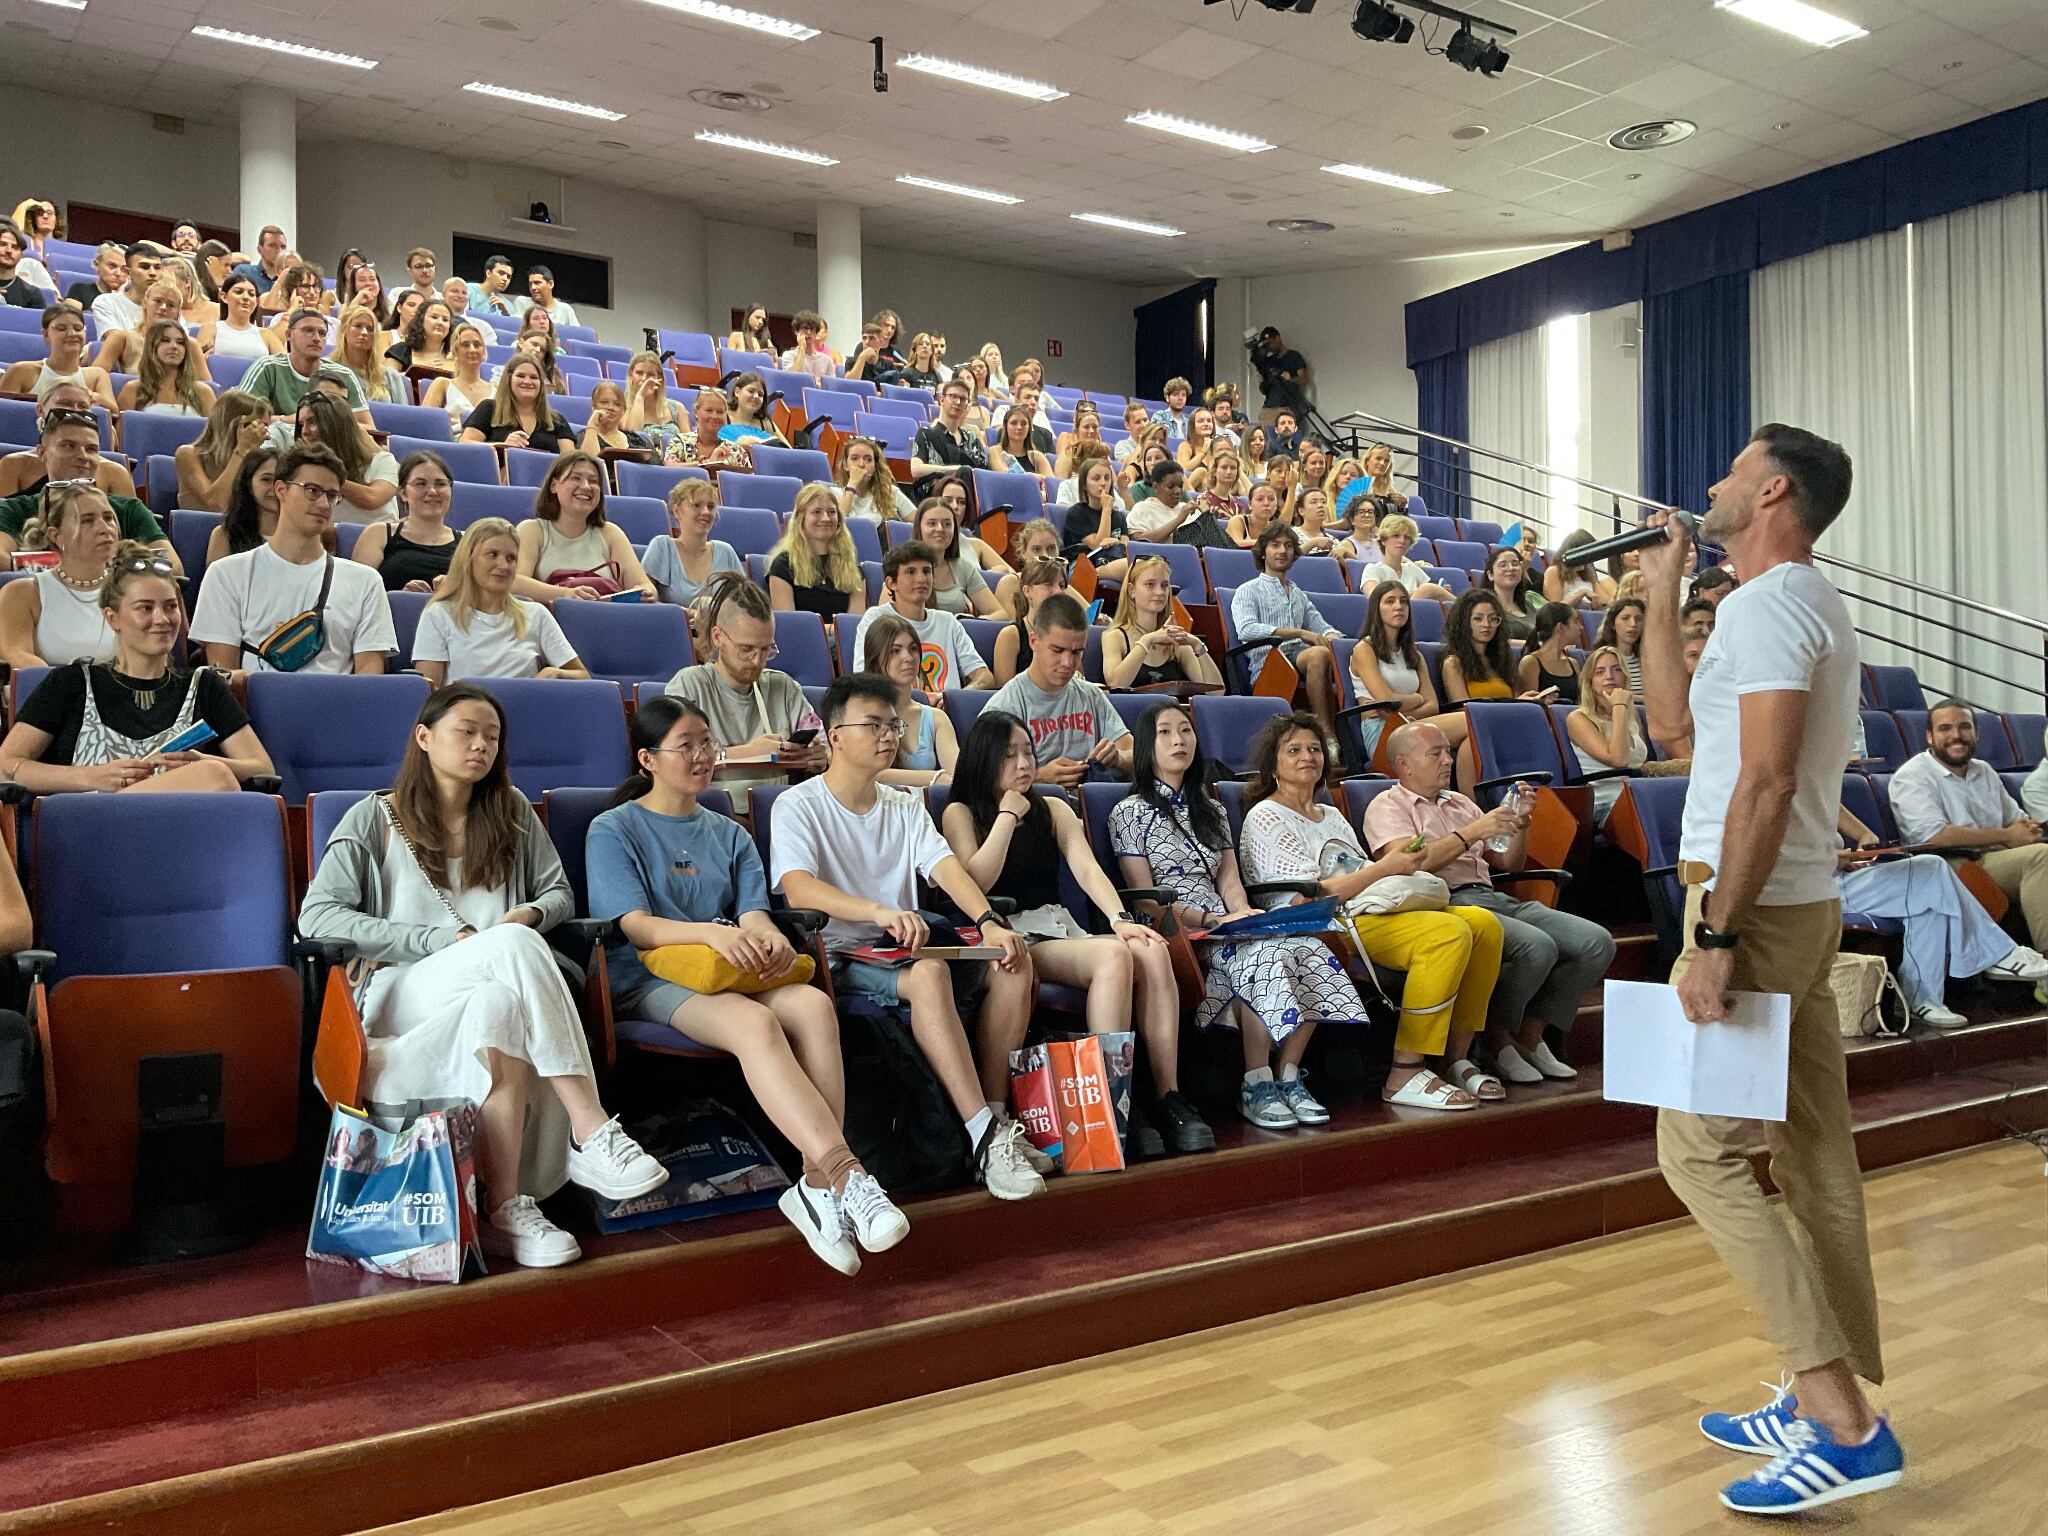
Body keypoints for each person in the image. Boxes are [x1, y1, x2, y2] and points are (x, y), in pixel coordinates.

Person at [1635, 425, 1906, 1514]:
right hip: (1785, 902)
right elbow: (1670, 732)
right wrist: (1659, 595)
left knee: (1691, 1153)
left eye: (1729, 469)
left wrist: (1712, 940)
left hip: (1748, 907)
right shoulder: (1782, 605)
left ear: (1770, 490)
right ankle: (1816, 1406)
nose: (1709, 481)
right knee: (1808, 1155)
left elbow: (1765, 778)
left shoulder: (1770, 604)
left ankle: (1838, 1415)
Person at [301, 683, 665, 1268]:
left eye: (491, 737)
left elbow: (557, 894)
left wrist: (528, 913)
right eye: (465, 732)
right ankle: (592, 1129)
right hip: (403, 986)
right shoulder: (372, 817)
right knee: (514, 948)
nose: (480, 746)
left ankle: (507, 1207)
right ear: (424, 737)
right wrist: (439, 938)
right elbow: (317, 916)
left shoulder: (512, 810)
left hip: (501, 983)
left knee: (500, 1000)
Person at [587, 696, 907, 1271]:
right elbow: (634, 926)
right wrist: (711, 936)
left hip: (730, 968)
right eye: (686, 746)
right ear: (648, 759)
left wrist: (768, 938)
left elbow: (754, 910)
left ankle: (814, 1184)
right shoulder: (613, 829)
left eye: (707, 744)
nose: (703, 756)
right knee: (755, 1023)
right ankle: (846, 1173)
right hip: (650, 975)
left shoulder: (727, 831)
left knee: (811, 1006)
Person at [770, 674, 1045, 1200]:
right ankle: (982, 1137)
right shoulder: (798, 805)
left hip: (906, 946)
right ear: (834, 735)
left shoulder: (902, 803)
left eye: (892, 725)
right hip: (843, 955)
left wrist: (988, 920)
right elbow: (799, 889)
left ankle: (994, 1117)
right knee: (930, 974)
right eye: (872, 725)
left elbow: (943, 865)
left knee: (1012, 959)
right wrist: (877, 910)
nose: (887, 735)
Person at [942, 712, 1210, 1156]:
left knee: (1149, 949)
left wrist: (1122, 919)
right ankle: (1107, 1104)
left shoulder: (1054, 807)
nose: (1024, 764)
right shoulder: (960, 812)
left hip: (1057, 927)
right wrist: (1007, 816)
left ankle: (1164, 1095)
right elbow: (975, 883)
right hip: (1005, 934)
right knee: (1113, 959)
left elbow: (1086, 868)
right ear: (984, 760)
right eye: (1009, 756)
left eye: (1028, 752)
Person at [1111, 702, 1371, 1128]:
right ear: (1145, 744)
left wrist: (1243, 914)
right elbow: (1146, 901)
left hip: (1225, 925)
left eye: (1186, 731)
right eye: (1164, 732)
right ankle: (1256, 1082)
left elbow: (1230, 881)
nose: (1179, 740)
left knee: (1308, 946)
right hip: (1178, 931)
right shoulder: (1129, 812)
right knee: (1261, 958)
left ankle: (1288, 1074)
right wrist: (1210, 921)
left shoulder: (1211, 808)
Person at [1239, 713, 1504, 1114]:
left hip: (1360, 910)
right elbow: (1303, 900)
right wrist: (1387, 867)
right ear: (1272, 764)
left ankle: (1455, 1058)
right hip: (1320, 924)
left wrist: (1393, 869)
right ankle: (1406, 1069)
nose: (1307, 757)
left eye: (1314, 749)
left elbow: (1358, 872)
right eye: (1293, 750)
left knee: (1484, 924)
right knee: (1446, 933)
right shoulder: (1266, 816)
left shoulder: (1330, 815)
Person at [1365, 721, 1609, 1087]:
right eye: (1436, 754)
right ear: (1404, 764)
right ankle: (1496, 1041)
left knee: (1595, 943)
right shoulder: (1387, 806)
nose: (1448, 760)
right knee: (1536, 947)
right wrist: (1473, 832)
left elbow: (1506, 863)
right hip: (1443, 903)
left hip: (1492, 894)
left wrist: (1522, 824)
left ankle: (1529, 1035)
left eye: (1448, 751)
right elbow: (1407, 864)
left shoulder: (1460, 802)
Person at [0, 541, 271, 795]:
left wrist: (199, 760)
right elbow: (7, 764)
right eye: (145, 608)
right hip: (89, 826)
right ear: (112, 617)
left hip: (179, 831)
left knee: (214, 773)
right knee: (213, 777)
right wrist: (91, 777)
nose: (162, 619)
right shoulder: (71, 682)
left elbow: (261, 768)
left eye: (170, 607)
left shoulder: (204, 686)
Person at [1833, 803, 2048, 1027]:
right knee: (1931, 871)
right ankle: (1997, 954)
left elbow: (1867, 835)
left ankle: (1923, 999)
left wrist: (1862, 853)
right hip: (1816, 888)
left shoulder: (1820, 788)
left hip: (1846, 877)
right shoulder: (1794, 791)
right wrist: (1829, 858)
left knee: (1928, 895)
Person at [191, 442, 397, 675]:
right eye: (312, 490)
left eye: (331, 495)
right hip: (256, 708)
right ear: (281, 490)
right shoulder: (227, 574)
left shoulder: (366, 582)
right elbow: (223, 678)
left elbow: (368, 682)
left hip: (338, 707)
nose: (323, 504)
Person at [1886, 699, 2048, 959]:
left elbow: (2015, 819)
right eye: (1945, 728)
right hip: (1951, 864)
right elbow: (1935, 837)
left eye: (1964, 727)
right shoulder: (1913, 776)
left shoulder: (1983, 771)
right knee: (2041, 857)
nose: (1956, 736)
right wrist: (2008, 835)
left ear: (1976, 733)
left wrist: (2027, 830)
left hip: (1995, 857)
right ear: (1929, 736)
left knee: (2039, 851)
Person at [662, 577, 826, 795]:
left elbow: (825, 745)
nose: (757, 661)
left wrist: (819, 755)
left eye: (766, 649)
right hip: (713, 810)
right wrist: (751, 752)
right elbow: (676, 758)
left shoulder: (783, 687)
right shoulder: (688, 686)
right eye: (746, 649)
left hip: (780, 809)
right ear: (718, 637)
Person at [0, 407, 176, 569]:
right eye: (69, 446)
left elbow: (172, 565)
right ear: (42, 453)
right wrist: (86, 563)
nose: (83, 456)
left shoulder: (128, 509)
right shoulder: (13, 510)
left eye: (91, 449)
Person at [414, 519, 585, 685]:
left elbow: (583, 676)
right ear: (468, 558)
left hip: (524, 708)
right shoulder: (439, 614)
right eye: (492, 555)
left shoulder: (536, 614)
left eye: (511, 558)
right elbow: (429, 690)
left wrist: (557, 672)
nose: (504, 566)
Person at [987, 594, 1131, 783]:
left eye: (1076, 652)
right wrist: (1038, 777)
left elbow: (1135, 754)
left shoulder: (1091, 695)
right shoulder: (1005, 705)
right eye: (1057, 650)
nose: (1068, 663)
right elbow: (982, 778)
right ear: (1034, 642)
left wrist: (1119, 758)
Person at [1231, 523, 1341, 741]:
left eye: (1288, 546)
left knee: (1328, 652)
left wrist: (1346, 644)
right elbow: (1246, 629)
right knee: (1318, 653)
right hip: (1269, 661)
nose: (1282, 551)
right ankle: (1327, 735)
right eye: (1275, 545)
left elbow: (1323, 628)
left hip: (1300, 658)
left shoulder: (1298, 593)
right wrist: (1297, 633)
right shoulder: (1247, 590)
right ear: (1263, 552)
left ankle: (1334, 734)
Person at [0, 482, 122, 668]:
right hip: (49, 693)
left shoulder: (132, 590)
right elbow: (17, 654)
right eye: (87, 520)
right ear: (57, 535)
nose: (104, 528)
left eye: (108, 518)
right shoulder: (21, 593)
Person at [1350, 579, 1468, 768]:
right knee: (1469, 722)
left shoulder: (1415, 654)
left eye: (1403, 601)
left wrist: (1407, 714)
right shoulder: (1364, 649)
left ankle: (1465, 797)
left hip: (1415, 723)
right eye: (1390, 601)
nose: (1398, 606)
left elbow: (1433, 706)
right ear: (1376, 609)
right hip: (1383, 732)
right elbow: (1387, 700)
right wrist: (1417, 698)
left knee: (1470, 743)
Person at [514, 451, 655, 604]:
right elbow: (514, 582)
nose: (586, 486)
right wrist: (565, 594)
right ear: (554, 485)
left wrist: (645, 593)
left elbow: (645, 586)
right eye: (576, 478)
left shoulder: (610, 533)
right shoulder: (532, 530)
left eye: (593, 481)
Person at [852, 540, 995, 692]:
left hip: (946, 712)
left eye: (926, 571)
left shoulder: (948, 622)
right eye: (910, 572)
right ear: (891, 583)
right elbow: (865, 680)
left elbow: (984, 677)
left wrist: (952, 698)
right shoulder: (876, 619)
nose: (921, 579)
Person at [862, 613, 960, 788]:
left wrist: (943, 778)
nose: (908, 658)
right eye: (895, 651)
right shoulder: (862, 713)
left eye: (913, 649)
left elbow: (958, 776)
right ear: (876, 659)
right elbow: (868, 773)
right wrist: (936, 778)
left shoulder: (936, 718)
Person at [278, 390, 400, 524]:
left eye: (312, 422)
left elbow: (372, 499)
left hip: (382, 541)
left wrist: (326, 474)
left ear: (336, 426)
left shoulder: (382, 461)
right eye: (301, 424)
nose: (304, 432)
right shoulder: (303, 470)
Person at [1102, 555, 1221, 690]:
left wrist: (1197, 645)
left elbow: (1216, 692)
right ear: (1132, 590)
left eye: (1164, 586)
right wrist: (1148, 640)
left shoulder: (1175, 641)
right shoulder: (1114, 636)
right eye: (1150, 585)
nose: (1159, 592)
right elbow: (1115, 685)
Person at [237, 307, 371, 423]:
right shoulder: (267, 368)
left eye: (322, 333)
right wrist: (292, 420)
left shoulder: (343, 374)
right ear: (289, 335)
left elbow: (368, 428)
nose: (316, 338)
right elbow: (242, 419)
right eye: (308, 330)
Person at [1565, 646, 1651, 826]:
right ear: (1590, 681)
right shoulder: (1579, 718)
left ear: (1625, 677)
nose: (1609, 676)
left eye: (1616, 669)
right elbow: (1619, 760)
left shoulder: (1632, 715)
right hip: (1606, 804)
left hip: (1639, 796)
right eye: (1600, 672)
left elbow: (1640, 765)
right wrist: (1618, 706)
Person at [352, 450, 458, 591]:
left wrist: (456, 592)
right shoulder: (378, 534)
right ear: (403, 493)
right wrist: (403, 599)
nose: (432, 491)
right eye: (420, 484)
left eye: (441, 484)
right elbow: (357, 595)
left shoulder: (467, 543)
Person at [762, 483, 865, 621]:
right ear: (800, 518)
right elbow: (788, 625)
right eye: (816, 512)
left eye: (832, 512)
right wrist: (831, 630)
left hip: (843, 641)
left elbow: (854, 625)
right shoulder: (783, 566)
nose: (826, 518)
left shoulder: (852, 568)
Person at [643, 478, 741, 611]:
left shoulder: (726, 551)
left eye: (711, 506)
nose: (706, 512)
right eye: (696, 505)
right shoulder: (662, 547)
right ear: (677, 511)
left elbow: (744, 606)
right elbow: (645, 602)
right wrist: (692, 615)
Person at [0, 304, 116, 410]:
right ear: (46, 334)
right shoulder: (22, 371)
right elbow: (5, 415)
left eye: (78, 328)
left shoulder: (97, 375)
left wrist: (94, 397)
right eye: (61, 328)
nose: (72, 334)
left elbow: (113, 415)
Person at [175, 390, 271, 514]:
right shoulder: (188, 455)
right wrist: (242, 449)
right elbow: (216, 504)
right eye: (260, 428)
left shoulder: (256, 460)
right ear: (238, 426)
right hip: (202, 529)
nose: (266, 436)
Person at [1440, 589, 1537, 707]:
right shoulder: (1453, 664)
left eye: (1493, 618)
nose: (1487, 624)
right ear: (1464, 622)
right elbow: (1464, 711)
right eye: (1478, 618)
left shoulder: (1502, 659)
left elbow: (1515, 698)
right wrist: (1516, 704)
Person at [459, 357, 574, 455]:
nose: (527, 381)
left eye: (534, 377)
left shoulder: (558, 421)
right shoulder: (489, 409)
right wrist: (502, 446)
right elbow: (465, 444)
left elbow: (569, 461)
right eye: (520, 376)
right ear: (508, 380)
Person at [912, 498, 1002, 618]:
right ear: (919, 528)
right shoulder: (903, 566)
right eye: (932, 523)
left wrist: (971, 621)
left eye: (947, 524)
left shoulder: (963, 567)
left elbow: (1001, 614)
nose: (940, 529)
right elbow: (887, 618)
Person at [909, 376, 988, 497]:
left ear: (967, 405)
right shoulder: (926, 433)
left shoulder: (972, 438)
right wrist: (954, 469)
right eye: (953, 396)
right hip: (936, 496)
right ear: (942, 399)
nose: (958, 402)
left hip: (969, 495)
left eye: (963, 399)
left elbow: (984, 474)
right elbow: (916, 469)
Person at [1062, 455, 1130, 584]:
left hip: (1114, 560)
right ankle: (1086, 578)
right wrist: (1106, 510)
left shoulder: (1118, 516)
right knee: (1132, 567)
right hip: (1085, 564)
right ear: (1084, 485)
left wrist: (1116, 542)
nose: (1103, 483)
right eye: (1096, 478)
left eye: (1107, 478)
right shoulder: (1076, 513)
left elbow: (1127, 546)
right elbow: (1098, 545)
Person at [1360, 513, 1453, 600]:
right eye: (1396, 535)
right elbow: (1375, 596)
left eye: (1407, 537)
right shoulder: (1373, 569)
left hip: (1416, 614)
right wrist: (1426, 592)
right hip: (1386, 615)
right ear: (1384, 540)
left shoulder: (1412, 569)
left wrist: (1440, 591)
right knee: (1428, 589)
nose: (1402, 541)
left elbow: (1432, 597)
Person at [421, 322, 494, 433]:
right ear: (455, 351)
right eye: (465, 345)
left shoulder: (497, 389)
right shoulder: (442, 384)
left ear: (483, 351)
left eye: (477, 345)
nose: (472, 349)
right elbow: (425, 421)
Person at [196, 272, 281, 363]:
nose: (246, 297)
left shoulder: (266, 335)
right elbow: (197, 363)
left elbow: (285, 365)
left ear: (256, 302)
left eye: (251, 294)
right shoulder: (210, 329)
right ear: (224, 297)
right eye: (239, 292)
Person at [667, 387, 753, 470]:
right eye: (709, 410)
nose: (715, 416)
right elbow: (669, 469)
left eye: (720, 412)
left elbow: (748, 481)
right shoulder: (679, 442)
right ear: (696, 412)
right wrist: (706, 464)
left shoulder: (736, 451)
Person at [1516, 601, 1583, 704]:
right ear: (1561, 627)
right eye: (1576, 621)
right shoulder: (1531, 662)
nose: (1581, 627)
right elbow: (1528, 705)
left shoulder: (1573, 664)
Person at [838, 436, 915, 523]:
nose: (861, 464)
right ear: (845, 465)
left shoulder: (890, 493)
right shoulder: (835, 494)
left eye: (868, 459)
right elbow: (838, 523)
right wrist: (852, 485)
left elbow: (919, 523)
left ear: (875, 467)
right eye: (854, 458)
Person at [90, 241, 160, 334]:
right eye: (144, 267)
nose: (153, 273)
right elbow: (115, 342)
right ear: (128, 272)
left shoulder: (167, 307)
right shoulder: (106, 302)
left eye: (157, 267)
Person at [1249, 328, 1311, 429]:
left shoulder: (1294, 356)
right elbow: (1264, 391)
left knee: (1288, 441)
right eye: (1266, 345)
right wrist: (1262, 381)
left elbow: (1304, 379)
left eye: (1270, 343)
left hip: (1288, 406)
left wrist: (1290, 379)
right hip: (1269, 408)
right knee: (1268, 441)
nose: (1268, 347)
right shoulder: (1268, 361)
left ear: (1277, 338)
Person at [1482, 544, 1545, 642]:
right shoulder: (1485, 607)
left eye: (1515, 564)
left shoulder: (1528, 605)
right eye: (1503, 565)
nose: (1511, 568)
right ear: (1490, 575)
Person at [1542, 528, 1619, 609]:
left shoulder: (1587, 573)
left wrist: (1594, 582)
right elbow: (1555, 609)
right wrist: (1582, 593)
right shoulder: (1554, 571)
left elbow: (1606, 602)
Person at [1593, 595, 1647, 696]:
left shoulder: (1647, 659)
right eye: (1625, 618)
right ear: (1613, 623)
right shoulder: (1601, 658)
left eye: (1639, 619)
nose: (1633, 624)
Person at [721, 372, 781, 446]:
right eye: (751, 391)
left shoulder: (766, 423)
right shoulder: (722, 418)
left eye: (760, 394)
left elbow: (787, 450)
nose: (756, 396)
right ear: (737, 392)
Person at [466, 254, 521, 319]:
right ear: (488, 273)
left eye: (508, 277)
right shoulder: (467, 289)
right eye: (501, 273)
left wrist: (505, 313)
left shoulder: (508, 305)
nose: (505, 279)